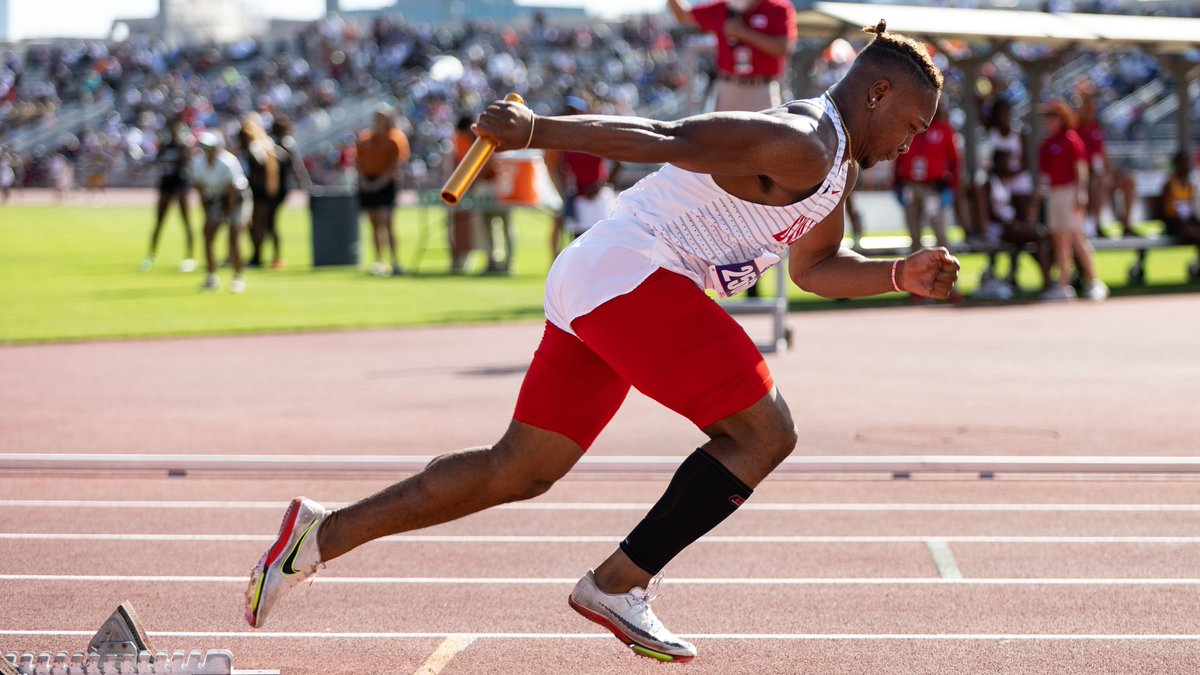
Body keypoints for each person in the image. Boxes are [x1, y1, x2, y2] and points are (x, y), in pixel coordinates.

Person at [244, 20, 958, 663]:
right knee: (766, 432)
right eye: (913, 122)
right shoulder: (804, 140)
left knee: (519, 469)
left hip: (605, 280)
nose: (914, 139)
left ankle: (319, 536)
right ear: (878, 92)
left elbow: (815, 268)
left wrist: (901, 273)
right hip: (633, 272)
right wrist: (536, 132)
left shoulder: (837, 172)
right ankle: (619, 582)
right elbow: (664, 137)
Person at [668, 0, 797, 297]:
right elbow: (684, 16)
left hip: (762, 89)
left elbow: (783, 48)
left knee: (765, 178)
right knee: (720, 177)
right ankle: (722, 263)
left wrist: (743, 31)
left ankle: (760, 265)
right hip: (730, 87)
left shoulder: (776, 8)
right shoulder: (723, 8)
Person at [1036, 100, 1108, 301]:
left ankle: (1094, 281)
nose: (1048, 121)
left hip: (1069, 190)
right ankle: (1063, 285)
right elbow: (1045, 174)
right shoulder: (1047, 144)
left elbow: (1081, 168)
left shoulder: (1070, 139)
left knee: (1076, 236)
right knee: (1060, 240)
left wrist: (1081, 192)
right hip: (1055, 193)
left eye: (1052, 117)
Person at [547, 95, 621, 258]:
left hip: (598, 198)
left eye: (574, 111)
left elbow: (618, 162)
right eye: (568, 112)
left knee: (602, 244)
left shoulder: (596, 135)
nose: (570, 115)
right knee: (579, 244)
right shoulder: (565, 141)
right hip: (579, 196)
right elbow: (559, 167)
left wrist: (602, 184)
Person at [894, 98, 959, 251]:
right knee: (914, 233)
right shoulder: (910, 128)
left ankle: (946, 269)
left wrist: (951, 186)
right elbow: (899, 156)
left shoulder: (945, 130)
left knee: (939, 231)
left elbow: (955, 160)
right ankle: (916, 272)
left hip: (933, 188)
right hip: (911, 186)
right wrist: (896, 184)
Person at [192, 131, 251, 293]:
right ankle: (211, 277)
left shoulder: (228, 162)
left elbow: (232, 190)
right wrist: (207, 214)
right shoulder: (197, 163)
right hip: (217, 199)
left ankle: (238, 277)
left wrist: (231, 216)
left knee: (234, 237)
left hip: (236, 199)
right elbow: (200, 189)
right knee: (208, 235)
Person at [1075, 86, 1137, 238]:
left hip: (1102, 172)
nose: (1091, 110)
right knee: (1101, 180)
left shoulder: (1096, 128)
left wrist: (1112, 171)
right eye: (1087, 107)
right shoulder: (1075, 129)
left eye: (1092, 107)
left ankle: (1126, 224)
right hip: (1088, 176)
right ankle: (1096, 224)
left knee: (1129, 180)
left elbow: (1102, 154)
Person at [356, 104, 410, 276]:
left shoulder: (395, 139)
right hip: (368, 182)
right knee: (373, 224)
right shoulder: (365, 138)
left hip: (385, 184)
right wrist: (364, 180)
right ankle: (379, 261)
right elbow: (358, 162)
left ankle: (395, 261)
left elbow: (395, 166)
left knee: (387, 222)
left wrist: (379, 183)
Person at [143, 119, 196, 273]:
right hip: (166, 184)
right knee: (159, 221)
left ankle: (189, 256)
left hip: (180, 184)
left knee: (186, 221)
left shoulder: (183, 146)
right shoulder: (165, 146)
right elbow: (154, 161)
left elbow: (187, 162)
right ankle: (151, 255)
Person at [264, 114, 312, 271]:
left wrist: (305, 185)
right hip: (272, 187)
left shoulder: (286, 144)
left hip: (279, 188)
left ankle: (276, 256)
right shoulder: (272, 143)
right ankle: (267, 254)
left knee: (271, 221)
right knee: (268, 222)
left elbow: (297, 167)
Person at [237, 113, 281, 270]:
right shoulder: (264, 143)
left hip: (257, 191)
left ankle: (257, 257)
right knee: (261, 224)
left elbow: (259, 164)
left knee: (257, 225)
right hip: (262, 190)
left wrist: (253, 178)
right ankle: (262, 256)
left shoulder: (254, 146)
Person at [1157, 151, 1200, 273]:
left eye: (1187, 164)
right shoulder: (1169, 185)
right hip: (1173, 224)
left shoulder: (1189, 186)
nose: (1186, 167)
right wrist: (1181, 224)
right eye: (1183, 164)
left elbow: (1191, 209)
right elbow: (1164, 212)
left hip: (1186, 223)